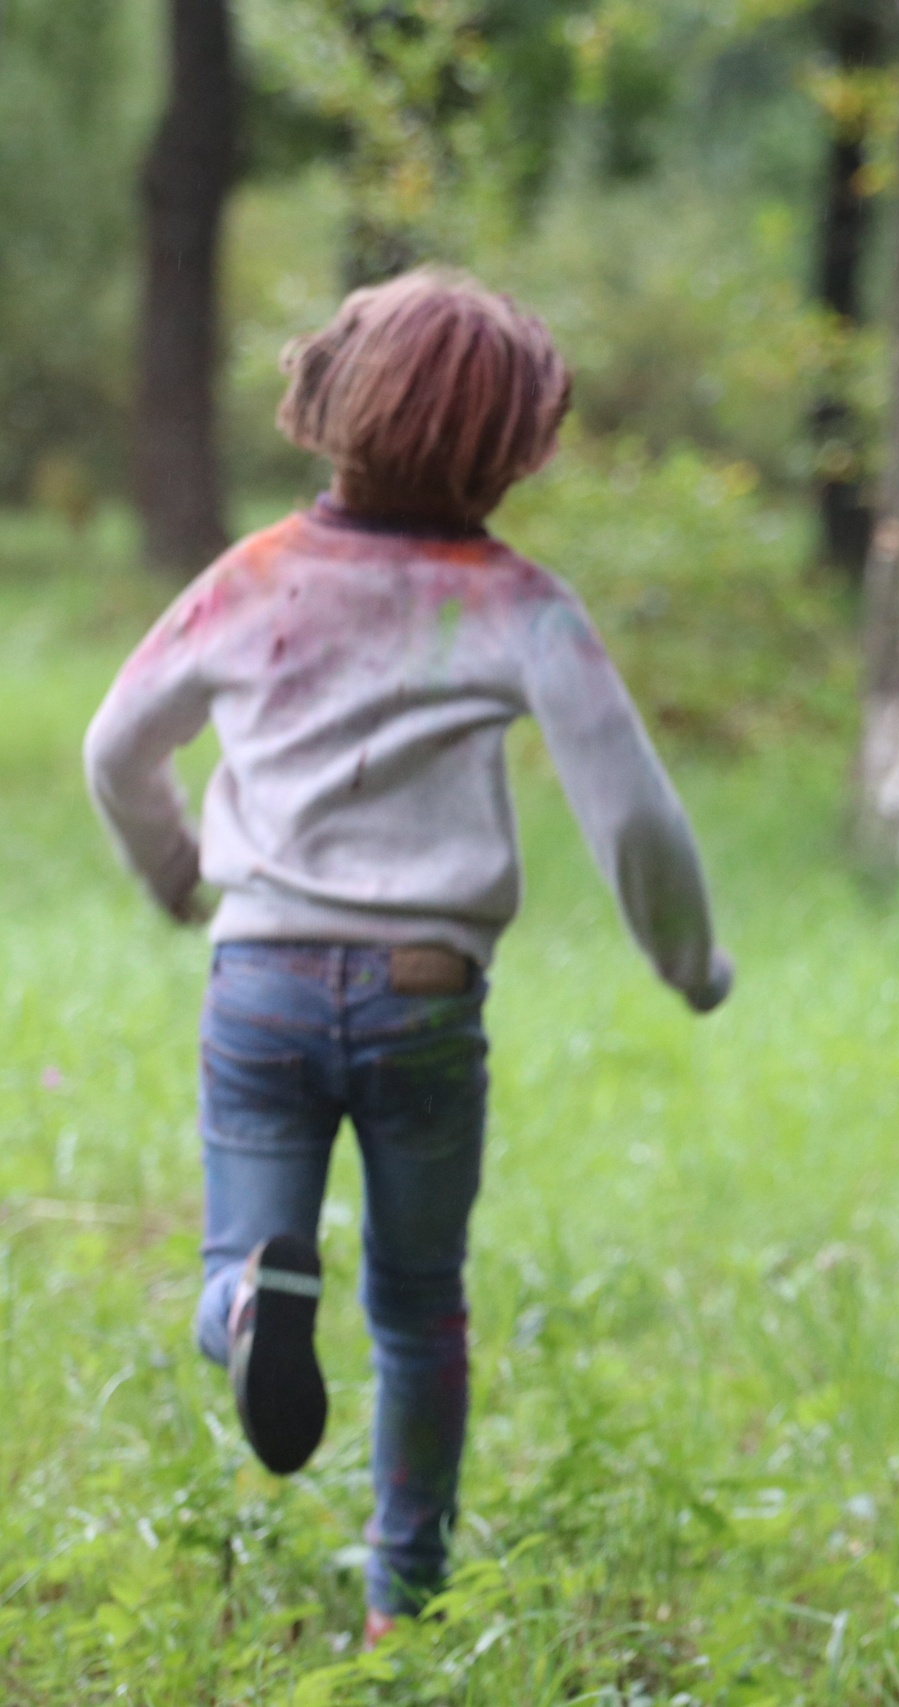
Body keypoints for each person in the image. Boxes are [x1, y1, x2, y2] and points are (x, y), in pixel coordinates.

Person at [82, 268, 733, 1639]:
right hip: (427, 999)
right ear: (514, 448)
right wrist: (689, 960)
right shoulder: (521, 604)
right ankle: (405, 1599)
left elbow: (116, 748)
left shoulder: (250, 576)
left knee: (239, 1254)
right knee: (419, 1302)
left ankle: (248, 1302)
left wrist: (177, 869)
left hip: (258, 978)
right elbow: (635, 811)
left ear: (334, 400)